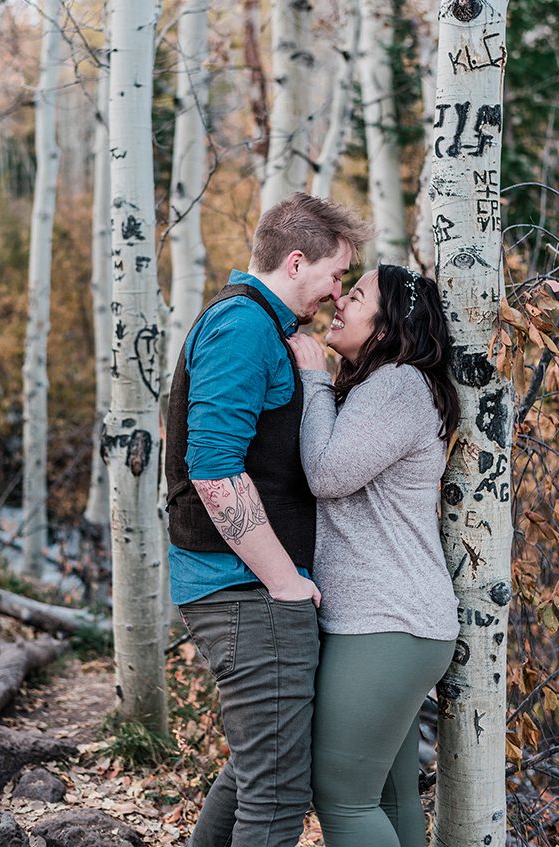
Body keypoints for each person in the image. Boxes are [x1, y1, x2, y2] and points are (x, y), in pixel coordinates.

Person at [164, 192, 372, 847]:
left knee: (257, 773)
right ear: (294, 260)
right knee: (278, 797)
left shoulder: (261, 326)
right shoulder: (243, 326)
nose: (337, 292)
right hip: (246, 591)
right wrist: (283, 579)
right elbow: (214, 466)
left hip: (245, 589)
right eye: (336, 274)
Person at [288, 265, 459, 847]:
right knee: (386, 796)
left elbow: (328, 473)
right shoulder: (393, 386)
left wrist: (313, 379)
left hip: (385, 622)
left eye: (356, 296)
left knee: (341, 798)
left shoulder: (396, 385)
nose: (340, 301)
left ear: (388, 327)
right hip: (401, 624)